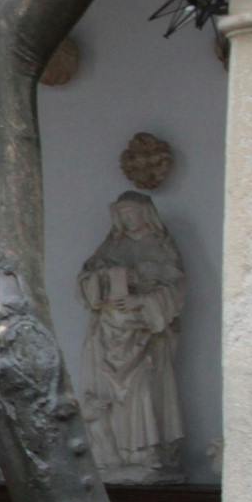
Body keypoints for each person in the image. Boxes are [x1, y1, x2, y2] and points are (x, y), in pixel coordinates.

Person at [76, 191, 187, 482]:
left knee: (142, 390)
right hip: (108, 335)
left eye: (132, 213)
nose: (127, 219)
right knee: (107, 397)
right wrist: (103, 281)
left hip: (144, 337)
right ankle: (111, 458)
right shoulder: (111, 246)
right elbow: (84, 281)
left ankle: (146, 453)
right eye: (122, 214)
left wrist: (141, 301)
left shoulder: (161, 247)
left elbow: (176, 291)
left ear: (145, 213)